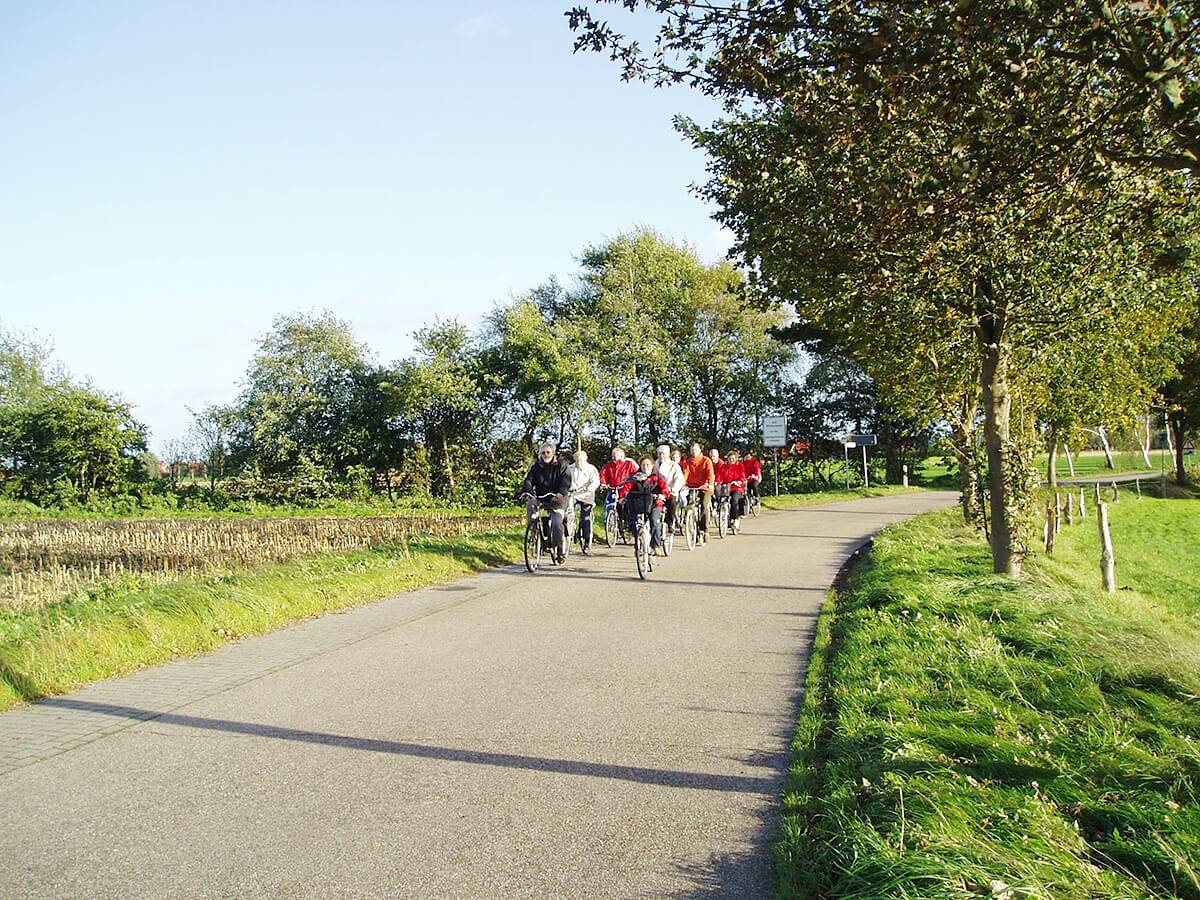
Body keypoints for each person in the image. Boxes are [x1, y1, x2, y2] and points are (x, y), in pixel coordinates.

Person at [522, 443, 571, 562]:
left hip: (557, 498)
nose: (545, 455)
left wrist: (561, 492)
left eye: (548, 452)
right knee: (530, 504)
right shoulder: (536, 467)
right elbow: (529, 480)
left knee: (556, 522)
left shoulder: (561, 465)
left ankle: (560, 551)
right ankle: (533, 531)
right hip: (542, 497)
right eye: (543, 452)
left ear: (553, 453)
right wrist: (527, 491)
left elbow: (566, 480)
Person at [623, 455, 668, 554]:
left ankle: (656, 546)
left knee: (654, 522)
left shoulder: (658, 476)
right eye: (643, 465)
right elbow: (627, 486)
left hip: (654, 503)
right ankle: (638, 542)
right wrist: (623, 496)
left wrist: (662, 495)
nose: (645, 467)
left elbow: (665, 488)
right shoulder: (635, 476)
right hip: (638, 503)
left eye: (648, 465)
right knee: (633, 522)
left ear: (652, 465)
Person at [566, 448, 601, 554]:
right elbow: (566, 479)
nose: (578, 461)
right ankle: (568, 533)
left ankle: (586, 541)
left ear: (585, 459)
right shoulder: (570, 468)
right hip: (574, 494)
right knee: (567, 511)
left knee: (585, 518)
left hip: (586, 495)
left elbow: (595, 481)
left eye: (581, 459)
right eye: (576, 459)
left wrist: (590, 488)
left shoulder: (591, 469)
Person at [680, 442, 715, 543]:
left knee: (704, 505)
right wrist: (683, 484)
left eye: (695, 449)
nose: (693, 451)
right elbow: (686, 473)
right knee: (689, 505)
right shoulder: (688, 462)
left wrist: (710, 484)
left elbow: (710, 474)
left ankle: (705, 529)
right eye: (692, 449)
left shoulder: (706, 460)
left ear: (700, 450)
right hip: (691, 486)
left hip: (705, 487)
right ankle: (690, 525)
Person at [599, 446, 638, 522]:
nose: (613, 458)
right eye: (612, 456)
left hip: (625, 488)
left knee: (626, 506)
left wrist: (631, 483)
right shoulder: (609, 465)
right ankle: (609, 521)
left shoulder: (629, 463)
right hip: (613, 488)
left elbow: (635, 474)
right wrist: (603, 483)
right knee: (610, 503)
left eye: (615, 456)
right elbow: (603, 474)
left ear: (621, 456)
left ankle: (627, 522)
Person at [654, 444, 686, 531]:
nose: (661, 456)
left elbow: (679, 479)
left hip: (670, 490)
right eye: (659, 453)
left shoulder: (674, 465)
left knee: (672, 502)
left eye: (663, 454)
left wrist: (673, 488)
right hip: (657, 490)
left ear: (668, 454)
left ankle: (670, 523)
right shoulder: (655, 465)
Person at [721, 449, 748, 531]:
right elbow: (719, 475)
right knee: (721, 499)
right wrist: (717, 482)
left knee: (734, 500)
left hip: (737, 487)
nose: (731, 460)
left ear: (736, 459)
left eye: (733, 458)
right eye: (730, 458)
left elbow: (742, 475)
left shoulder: (740, 466)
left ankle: (734, 519)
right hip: (727, 486)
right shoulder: (724, 466)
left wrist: (739, 481)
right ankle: (721, 513)